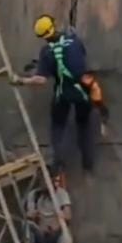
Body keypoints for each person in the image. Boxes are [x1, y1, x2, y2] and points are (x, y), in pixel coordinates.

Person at [12, 16, 95, 172]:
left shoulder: (47, 52)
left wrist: (22, 80)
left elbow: (41, 80)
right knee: (84, 124)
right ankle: (87, 162)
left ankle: (58, 162)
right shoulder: (75, 41)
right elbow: (79, 58)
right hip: (83, 91)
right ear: (54, 25)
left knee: (58, 126)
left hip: (63, 93)